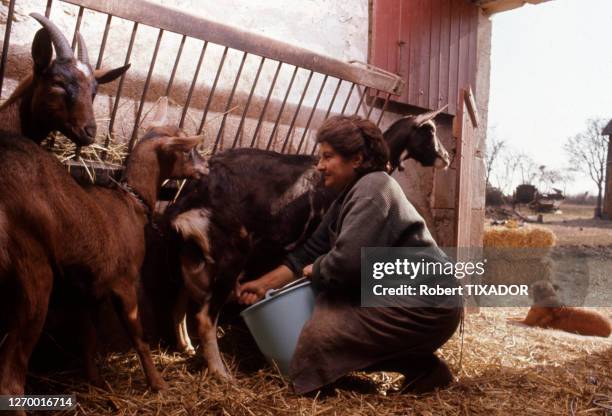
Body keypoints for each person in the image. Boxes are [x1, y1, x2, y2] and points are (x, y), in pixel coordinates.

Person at [236, 115, 462, 395]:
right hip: (409, 300)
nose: (319, 166)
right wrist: (262, 285)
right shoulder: (349, 195)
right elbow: (309, 251)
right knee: (324, 322)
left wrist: (316, 270)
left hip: (425, 304)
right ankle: (424, 369)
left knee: (320, 334)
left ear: (356, 159)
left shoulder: (373, 189)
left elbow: (347, 264)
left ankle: (337, 381)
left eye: (327, 156)